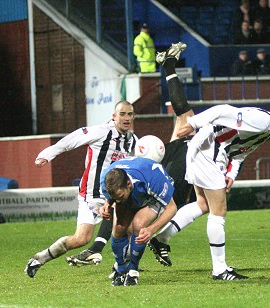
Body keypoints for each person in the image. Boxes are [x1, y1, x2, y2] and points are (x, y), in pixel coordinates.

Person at [68, 42, 195, 266]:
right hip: (172, 178)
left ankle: (117, 254)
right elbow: (182, 110)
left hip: (172, 173)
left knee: (125, 210)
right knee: (198, 204)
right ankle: (149, 246)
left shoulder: (164, 156)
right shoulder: (183, 150)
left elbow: (181, 112)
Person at [149, 106, 270, 280]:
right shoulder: (262, 121)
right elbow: (222, 110)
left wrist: (231, 174)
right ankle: (219, 269)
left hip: (204, 150)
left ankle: (161, 238)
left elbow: (241, 152)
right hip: (208, 152)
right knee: (219, 211)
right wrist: (193, 123)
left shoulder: (268, 130)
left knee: (203, 204)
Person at [24, 100, 138, 278]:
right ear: (114, 116)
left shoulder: (133, 141)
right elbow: (74, 138)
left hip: (115, 194)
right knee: (80, 239)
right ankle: (40, 258)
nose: (126, 118)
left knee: (127, 224)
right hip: (91, 194)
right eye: (122, 114)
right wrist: (48, 153)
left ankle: (120, 268)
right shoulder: (102, 132)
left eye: (130, 114)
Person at [99, 157, 178, 286]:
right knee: (119, 228)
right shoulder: (106, 180)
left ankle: (133, 271)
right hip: (132, 193)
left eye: (120, 197)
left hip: (150, 196)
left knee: (139, 226)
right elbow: (113, 198)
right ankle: (120, 270)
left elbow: (172, 208)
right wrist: (106, 204)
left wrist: (151, 229)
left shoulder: (153, 179)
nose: (117, 201)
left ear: (128, 184)